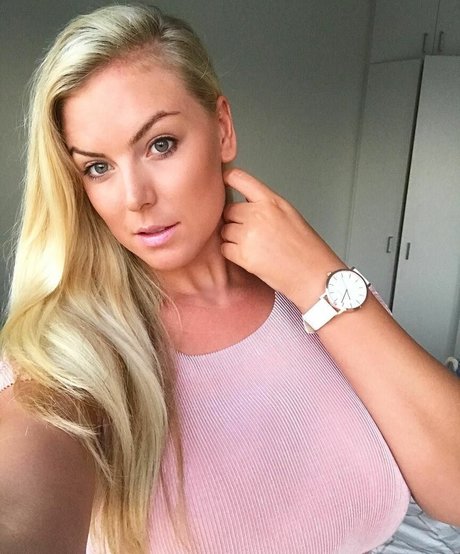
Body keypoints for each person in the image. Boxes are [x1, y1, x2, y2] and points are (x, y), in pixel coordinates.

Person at [0, 4, 459, 554]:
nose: (135, 198)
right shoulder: (69, 349)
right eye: (98, 167)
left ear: (221, 129)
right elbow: (21, 495)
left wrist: (319, 277)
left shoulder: (320, 296)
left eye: (160, 144)